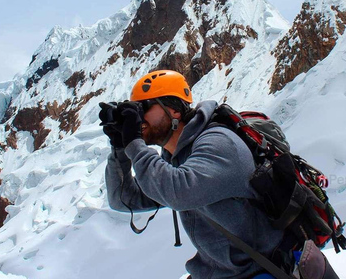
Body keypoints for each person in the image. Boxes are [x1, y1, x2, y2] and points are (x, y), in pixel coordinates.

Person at [100, 70, 284, 279]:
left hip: (261, 272)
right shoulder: (175, 157)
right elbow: (123, 199)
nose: (138, 119)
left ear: (174, 110)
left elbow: (178, 192)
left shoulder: (219, 143)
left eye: (143, 108)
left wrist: (133, 142)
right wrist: (119, 148)